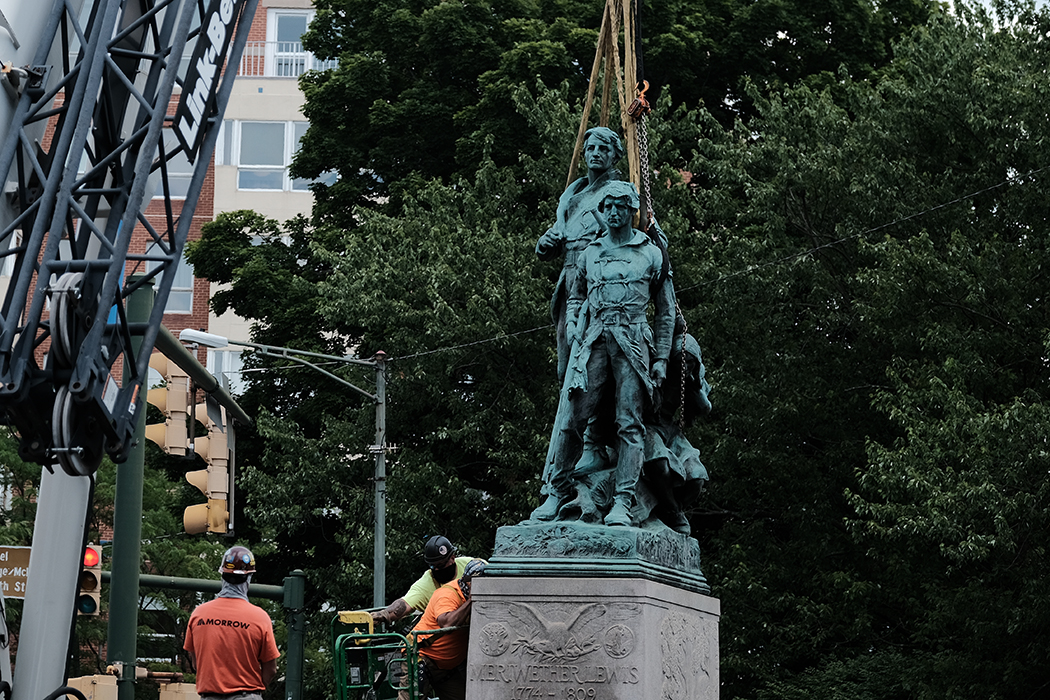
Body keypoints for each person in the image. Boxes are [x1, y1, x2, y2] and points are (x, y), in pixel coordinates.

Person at [543, 181, 676, 527]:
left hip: (632, 342)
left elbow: (666, 312)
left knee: (629, 423)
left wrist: (660, 358)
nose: (613, 212)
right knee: (573, 418)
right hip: (595, 339)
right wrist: (573, 324)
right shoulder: (591, 251)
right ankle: (556, 492)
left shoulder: (651, 251)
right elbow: (576, 296)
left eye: (620, 206)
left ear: (632, 210)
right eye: (608, 206)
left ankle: (623, 500)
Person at [536, 126, 626, 382]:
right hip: (570, 281)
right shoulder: (572, 196)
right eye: (591, 148)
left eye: (603, 149)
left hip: (601, 282)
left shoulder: (618, 193)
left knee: (592, 359)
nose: (596, 153)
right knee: (566, 359)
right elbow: (551, 246)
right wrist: (545, 241)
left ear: (614, 155)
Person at [184, 546, 280, 700]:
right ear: (249, 578)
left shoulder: (199, 614)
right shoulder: (259, 617)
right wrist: (252, 692)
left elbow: (196, 663)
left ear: (222, 575)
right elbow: (271, 669)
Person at [399, 559, 486, 700]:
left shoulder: (484, 602)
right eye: (475, 582)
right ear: (466, 581)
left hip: (446, 668)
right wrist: (472, 600)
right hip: (422, 657)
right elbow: (447, 623)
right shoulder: (448, 594)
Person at [371, 536, 475, 624]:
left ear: (452, 558)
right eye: (433, 566)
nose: (437, 570)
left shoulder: (471, 567)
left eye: (441, 565)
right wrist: (383, 615)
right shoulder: (427, 583)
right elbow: (405, 604)